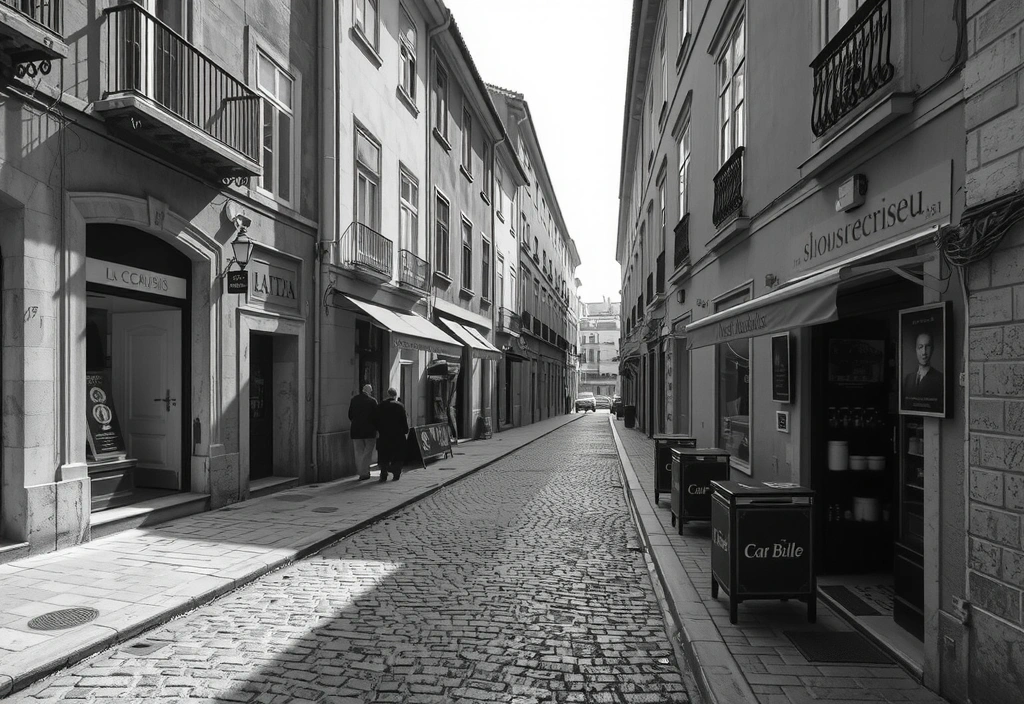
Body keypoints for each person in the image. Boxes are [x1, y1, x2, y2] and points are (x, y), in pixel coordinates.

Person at [374, 387, 409, 482]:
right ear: (395, 395)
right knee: (397, 455)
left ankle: (383, 473)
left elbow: (375, 421)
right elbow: (404, 421)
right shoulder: (400, 406)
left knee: (383, 455)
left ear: (387, 395)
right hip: (397, 436)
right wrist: (405, 430)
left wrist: (378, 430)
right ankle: (396, 473)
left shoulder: (380, 406)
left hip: (384, 436)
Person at [902, 332, 943, 408]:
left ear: (932, 349)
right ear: (916, 349)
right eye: (920, 347)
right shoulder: (908, 379)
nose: (924, 352)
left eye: (927, 347)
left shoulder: (940, 379)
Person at [348, 384, 378, 480]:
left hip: (356, 430)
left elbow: (350, 415)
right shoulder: (372, 401)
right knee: (368, 452)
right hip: (369, 431)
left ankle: (361, 471)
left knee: (358, 452)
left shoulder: (354, 400)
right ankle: (364, 472)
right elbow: (376, 416)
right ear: (369, 391)